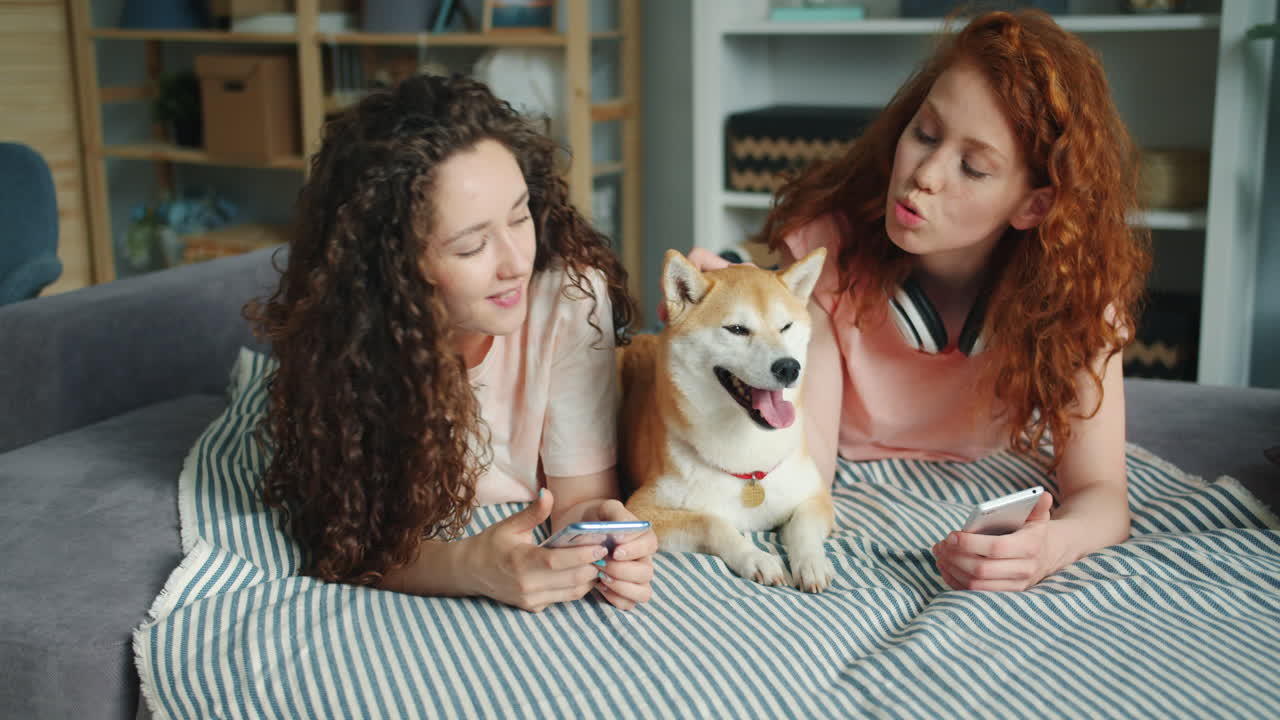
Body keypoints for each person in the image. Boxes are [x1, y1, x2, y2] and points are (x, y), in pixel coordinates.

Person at [683, 10, 1150, 591]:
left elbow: (1104, 496)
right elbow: (808, 472)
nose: (924, 174)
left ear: (1033, 207)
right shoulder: (833, 257)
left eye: (973, 167)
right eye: (925, 134)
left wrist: (1050, 546)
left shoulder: (1079, 301)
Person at [247, 73, 657, 612]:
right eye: (471, 247)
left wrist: (606, 533)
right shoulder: (356, 350)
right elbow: (348, 541)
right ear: (395, 268)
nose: (516, 263)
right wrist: (469, 567)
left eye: (520, 215)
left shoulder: (569, 297)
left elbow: (578, 496)